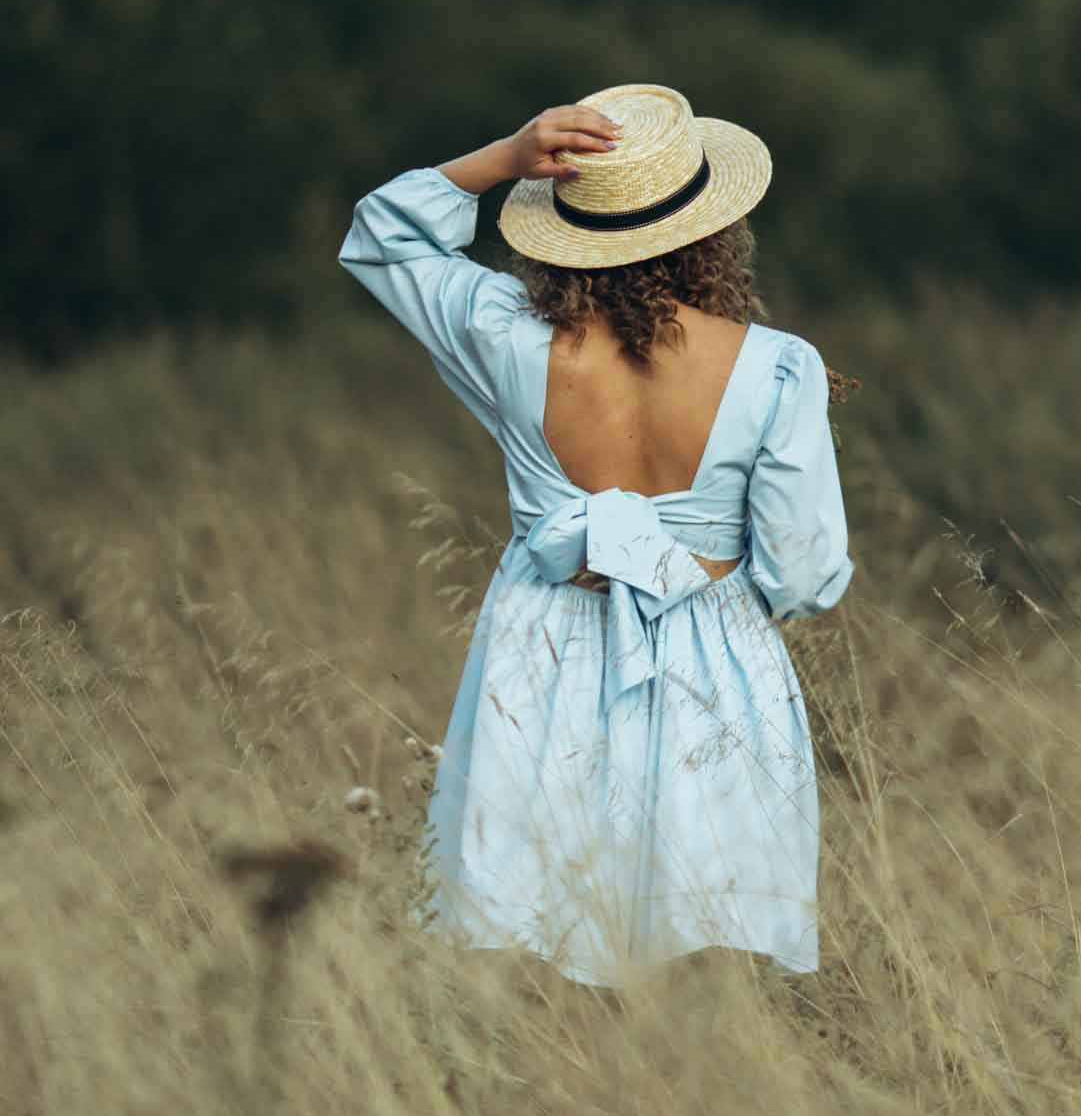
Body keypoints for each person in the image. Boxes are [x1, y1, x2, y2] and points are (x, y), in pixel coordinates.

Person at [340, 82, 853, 990]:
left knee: (535, 931)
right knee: (709, 939)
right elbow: (805, 573)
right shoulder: (777, 367)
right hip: (713, 646)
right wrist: (706, 581)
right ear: (713, 230)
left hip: (537, 646)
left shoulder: (501, 335)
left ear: (562, 231)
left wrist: (502, 156)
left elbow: (384, 234)